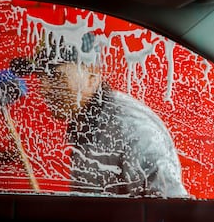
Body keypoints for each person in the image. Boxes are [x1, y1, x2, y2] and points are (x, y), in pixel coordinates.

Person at [10, 31, 189, 198]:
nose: (44, 89)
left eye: (55, 76)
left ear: (92, 74)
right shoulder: (86, 123)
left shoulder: (132, 130)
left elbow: (171, 209)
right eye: (41, 77)